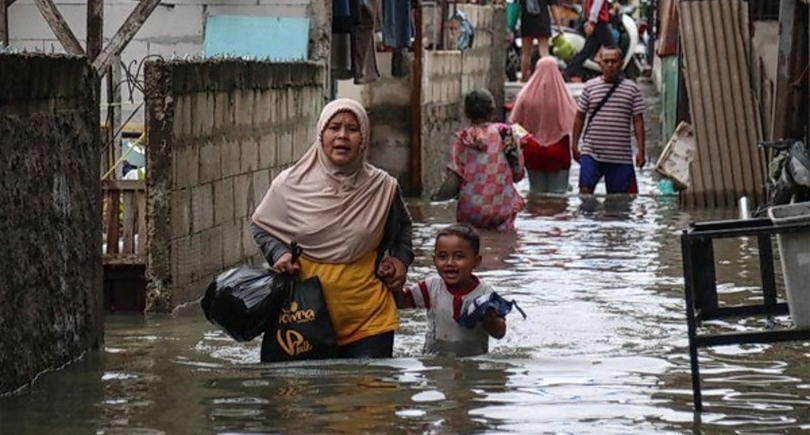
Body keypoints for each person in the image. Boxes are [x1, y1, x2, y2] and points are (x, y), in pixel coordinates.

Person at [251, 98, 414, 360]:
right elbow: (262, 226)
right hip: (303, 319)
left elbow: (403, 227)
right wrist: (278, 253)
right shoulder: (289, 186)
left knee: (372, 387)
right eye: (334, 127)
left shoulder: (383, 187)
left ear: (363, 137)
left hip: (369, 320)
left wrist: (400, 260)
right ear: (321, 134)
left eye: (352, 129)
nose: (342, 136)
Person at [393, 223, 507, 357]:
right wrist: (396, 284)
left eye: (459, 257)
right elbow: (401, 302)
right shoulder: (431, 287)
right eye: (442, 257)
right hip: (433, 361)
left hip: (473, 362)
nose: (450, 263)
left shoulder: (485, 294)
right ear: (434, 260)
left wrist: (490, 318)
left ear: (476, 262)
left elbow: (500, 333)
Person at [432, 89, 526, 232]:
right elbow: (518, 173)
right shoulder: (506, 133)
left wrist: (437, 199)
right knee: (503, 243)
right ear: (492, 110)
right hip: (501, 207)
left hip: (470, 209)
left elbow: (456, 177)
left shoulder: (462, 138)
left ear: (466, 113)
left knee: (471, 241)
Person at [571, 46, 646, 194]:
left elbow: (638, 122)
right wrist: (574, 146)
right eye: (606, 61)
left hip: (620, 156)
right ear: (600, 64)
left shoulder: (632, 89)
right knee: (585, 194)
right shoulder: (589, 87)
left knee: (620, 200)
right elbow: (579, 117)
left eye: (614, 61)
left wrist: (641, 151)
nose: (610, 65)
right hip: (591, 152)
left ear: (621, 64)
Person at [509, 57, 577, 194]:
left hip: (532, 149)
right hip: (558, 150)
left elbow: (514, 125)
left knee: (535, 193)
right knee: (559, 194)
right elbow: (573, 123)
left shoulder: (524, 95)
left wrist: (529, 140)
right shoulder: (563, 96)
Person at [562, 0, 614, 82]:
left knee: (587, 51)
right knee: (613, 48)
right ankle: (619, 75)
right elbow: (596, 6)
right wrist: (592, 22)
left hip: (595, 22)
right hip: (599, 23)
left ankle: (568, 71)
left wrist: (590, 22)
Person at [519, 0, 564, 81]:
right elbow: (553, 7)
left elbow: (516, 5)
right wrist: (559, 25)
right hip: (542, 21)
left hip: (526, 21)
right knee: (544, 51)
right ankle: (545, 77)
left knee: (526, 53)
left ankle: (524, 77)